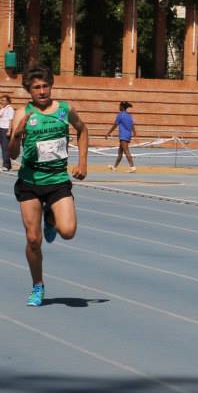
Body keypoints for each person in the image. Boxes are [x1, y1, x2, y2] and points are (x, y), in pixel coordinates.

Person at [9, 65, 89, 307]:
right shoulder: (22, 113)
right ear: (29, 91)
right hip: (30, 183)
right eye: (36, 88)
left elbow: (82, 129)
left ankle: (51, 218)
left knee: (68, 232)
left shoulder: (64, 110)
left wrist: (82, 162)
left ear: (51, 86)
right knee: (34, 239)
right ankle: (38, 285)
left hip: (57, 182)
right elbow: (12, 154)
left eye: (45, 86)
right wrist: (17, 135)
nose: (42, 91)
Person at [105, 101, 136, 172]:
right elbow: (132, 125)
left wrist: (108, 133)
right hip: (128, 134)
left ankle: (132, 166)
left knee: (126, 151)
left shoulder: (120, 115)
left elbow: (115, 125)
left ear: (122, 107)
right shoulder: (129, 115)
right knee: (120, 152)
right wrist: (134, 132)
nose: (119, 107)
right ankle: (114, 167)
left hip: (123, 135)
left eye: (119, 106)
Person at [0, 94, 14, 170]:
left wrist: (9, 130)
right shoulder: (2, 108)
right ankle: (8, 165)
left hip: (5, 129)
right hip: (0, 128)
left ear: (8, 101)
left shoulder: (10, 109)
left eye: (4, 100)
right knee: (3, 148)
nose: (2, 101)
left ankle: (5, 165)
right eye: (2, 100)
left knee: (5, 148)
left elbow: (11, 120)